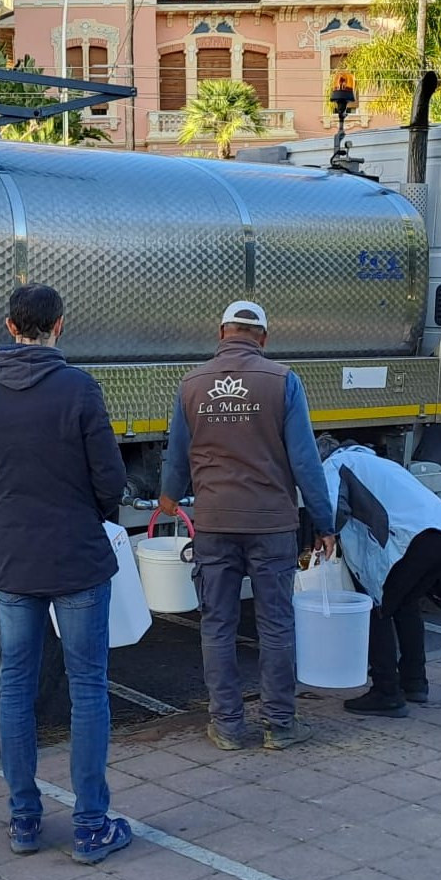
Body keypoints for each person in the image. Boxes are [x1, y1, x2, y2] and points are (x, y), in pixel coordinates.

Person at [0, 283, 133, 865]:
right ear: (59, 327)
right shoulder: (78, 390)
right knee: (88, 688)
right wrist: (87, 511)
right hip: (76, 559)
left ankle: (24, 821)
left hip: (10, 562)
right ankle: (91, 826)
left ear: (10, 325)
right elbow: (111, 482)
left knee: (16, 689)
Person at [159, 301, 336, 752]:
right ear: (263, 338)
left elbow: (176, 455)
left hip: (215, 522)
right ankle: (280, 724)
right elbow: (304, 461)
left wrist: (168, 498)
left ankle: (228, 727)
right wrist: (323, 520)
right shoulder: (283, 381)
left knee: (217, 623)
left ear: (221, 333)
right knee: (276, 623)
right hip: (271, 524)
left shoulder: (191, 384)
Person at [317, 435, 441, 717]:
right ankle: (415, 682)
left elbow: (332, 510)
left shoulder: (336, 463)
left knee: (376, 610)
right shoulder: (378, 462)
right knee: (405, 606)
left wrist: (320, 536)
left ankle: (386, 692)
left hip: (412, 542)